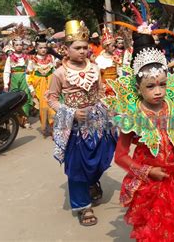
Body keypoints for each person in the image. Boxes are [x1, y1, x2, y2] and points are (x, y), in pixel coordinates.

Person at [104, 29, 174, 241]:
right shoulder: (132, 115)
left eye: (162, 84)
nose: (158, 91)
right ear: (138, 87)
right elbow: (120, 156)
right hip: (149, 184)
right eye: (150, 86)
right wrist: (147, 171)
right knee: (153, 229)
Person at [46, 20, 117, 226]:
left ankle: (92, 180)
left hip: (97, 121)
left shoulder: (95, 68)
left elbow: (101, 92)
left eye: (85, 47)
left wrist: (109, 109)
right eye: (77, 47)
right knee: (77, 165)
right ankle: (83, 206)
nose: (83, 51)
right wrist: (71, 112)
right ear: (66, 50)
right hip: (74, 126)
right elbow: (51, 98)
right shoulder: (60, 73)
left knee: (101, 156)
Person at [3, 26, 34, 128]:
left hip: (24, 78)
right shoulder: (10, 58)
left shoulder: (27, 58)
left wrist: (31, 84)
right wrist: (5, 84)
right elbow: (7, 71)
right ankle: (16, 119)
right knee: (15, 99)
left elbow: (30, 70)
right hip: (14, 79)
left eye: (21, 45)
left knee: (25, 98)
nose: (19, 46)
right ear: (13, 46)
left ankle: (25, 120)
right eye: (17, 45)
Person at [27, 35, 57, 137]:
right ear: (36, 48)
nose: (43, 50)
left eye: (45, 47)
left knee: (52, 107)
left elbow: (55, 72)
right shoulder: (32, 60)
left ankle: (53, 128)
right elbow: (28, 75)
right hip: (39, 87)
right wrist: (31, 89)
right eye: (41, 48)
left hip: (51, 85)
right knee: (43, 108)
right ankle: (44, 126)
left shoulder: (51, 58)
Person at [95, 26, 119, 96]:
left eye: (115, 46)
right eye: (113, 46)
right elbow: (97, 76)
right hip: (105, 89)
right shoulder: (99, 59)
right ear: (106, 47)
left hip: (116, 87)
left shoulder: (116, 57)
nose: (114, 48)